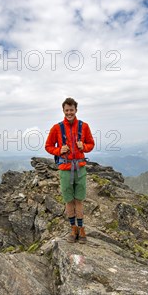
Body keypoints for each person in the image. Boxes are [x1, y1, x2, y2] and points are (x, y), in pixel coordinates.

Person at [45, 97, 95, 244]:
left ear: (76, 110)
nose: (69, 113)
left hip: (79, 167)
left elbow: (91, 144)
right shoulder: (57, 128)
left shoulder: (84, 126)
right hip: (65, 168)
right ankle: (73, 228)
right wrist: (59, 150)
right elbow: (48, 146)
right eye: (66, 110)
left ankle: (81, 229)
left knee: (79, 199)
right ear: (63, 111)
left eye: (71, 110)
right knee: (69, 200)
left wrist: (83, 147)